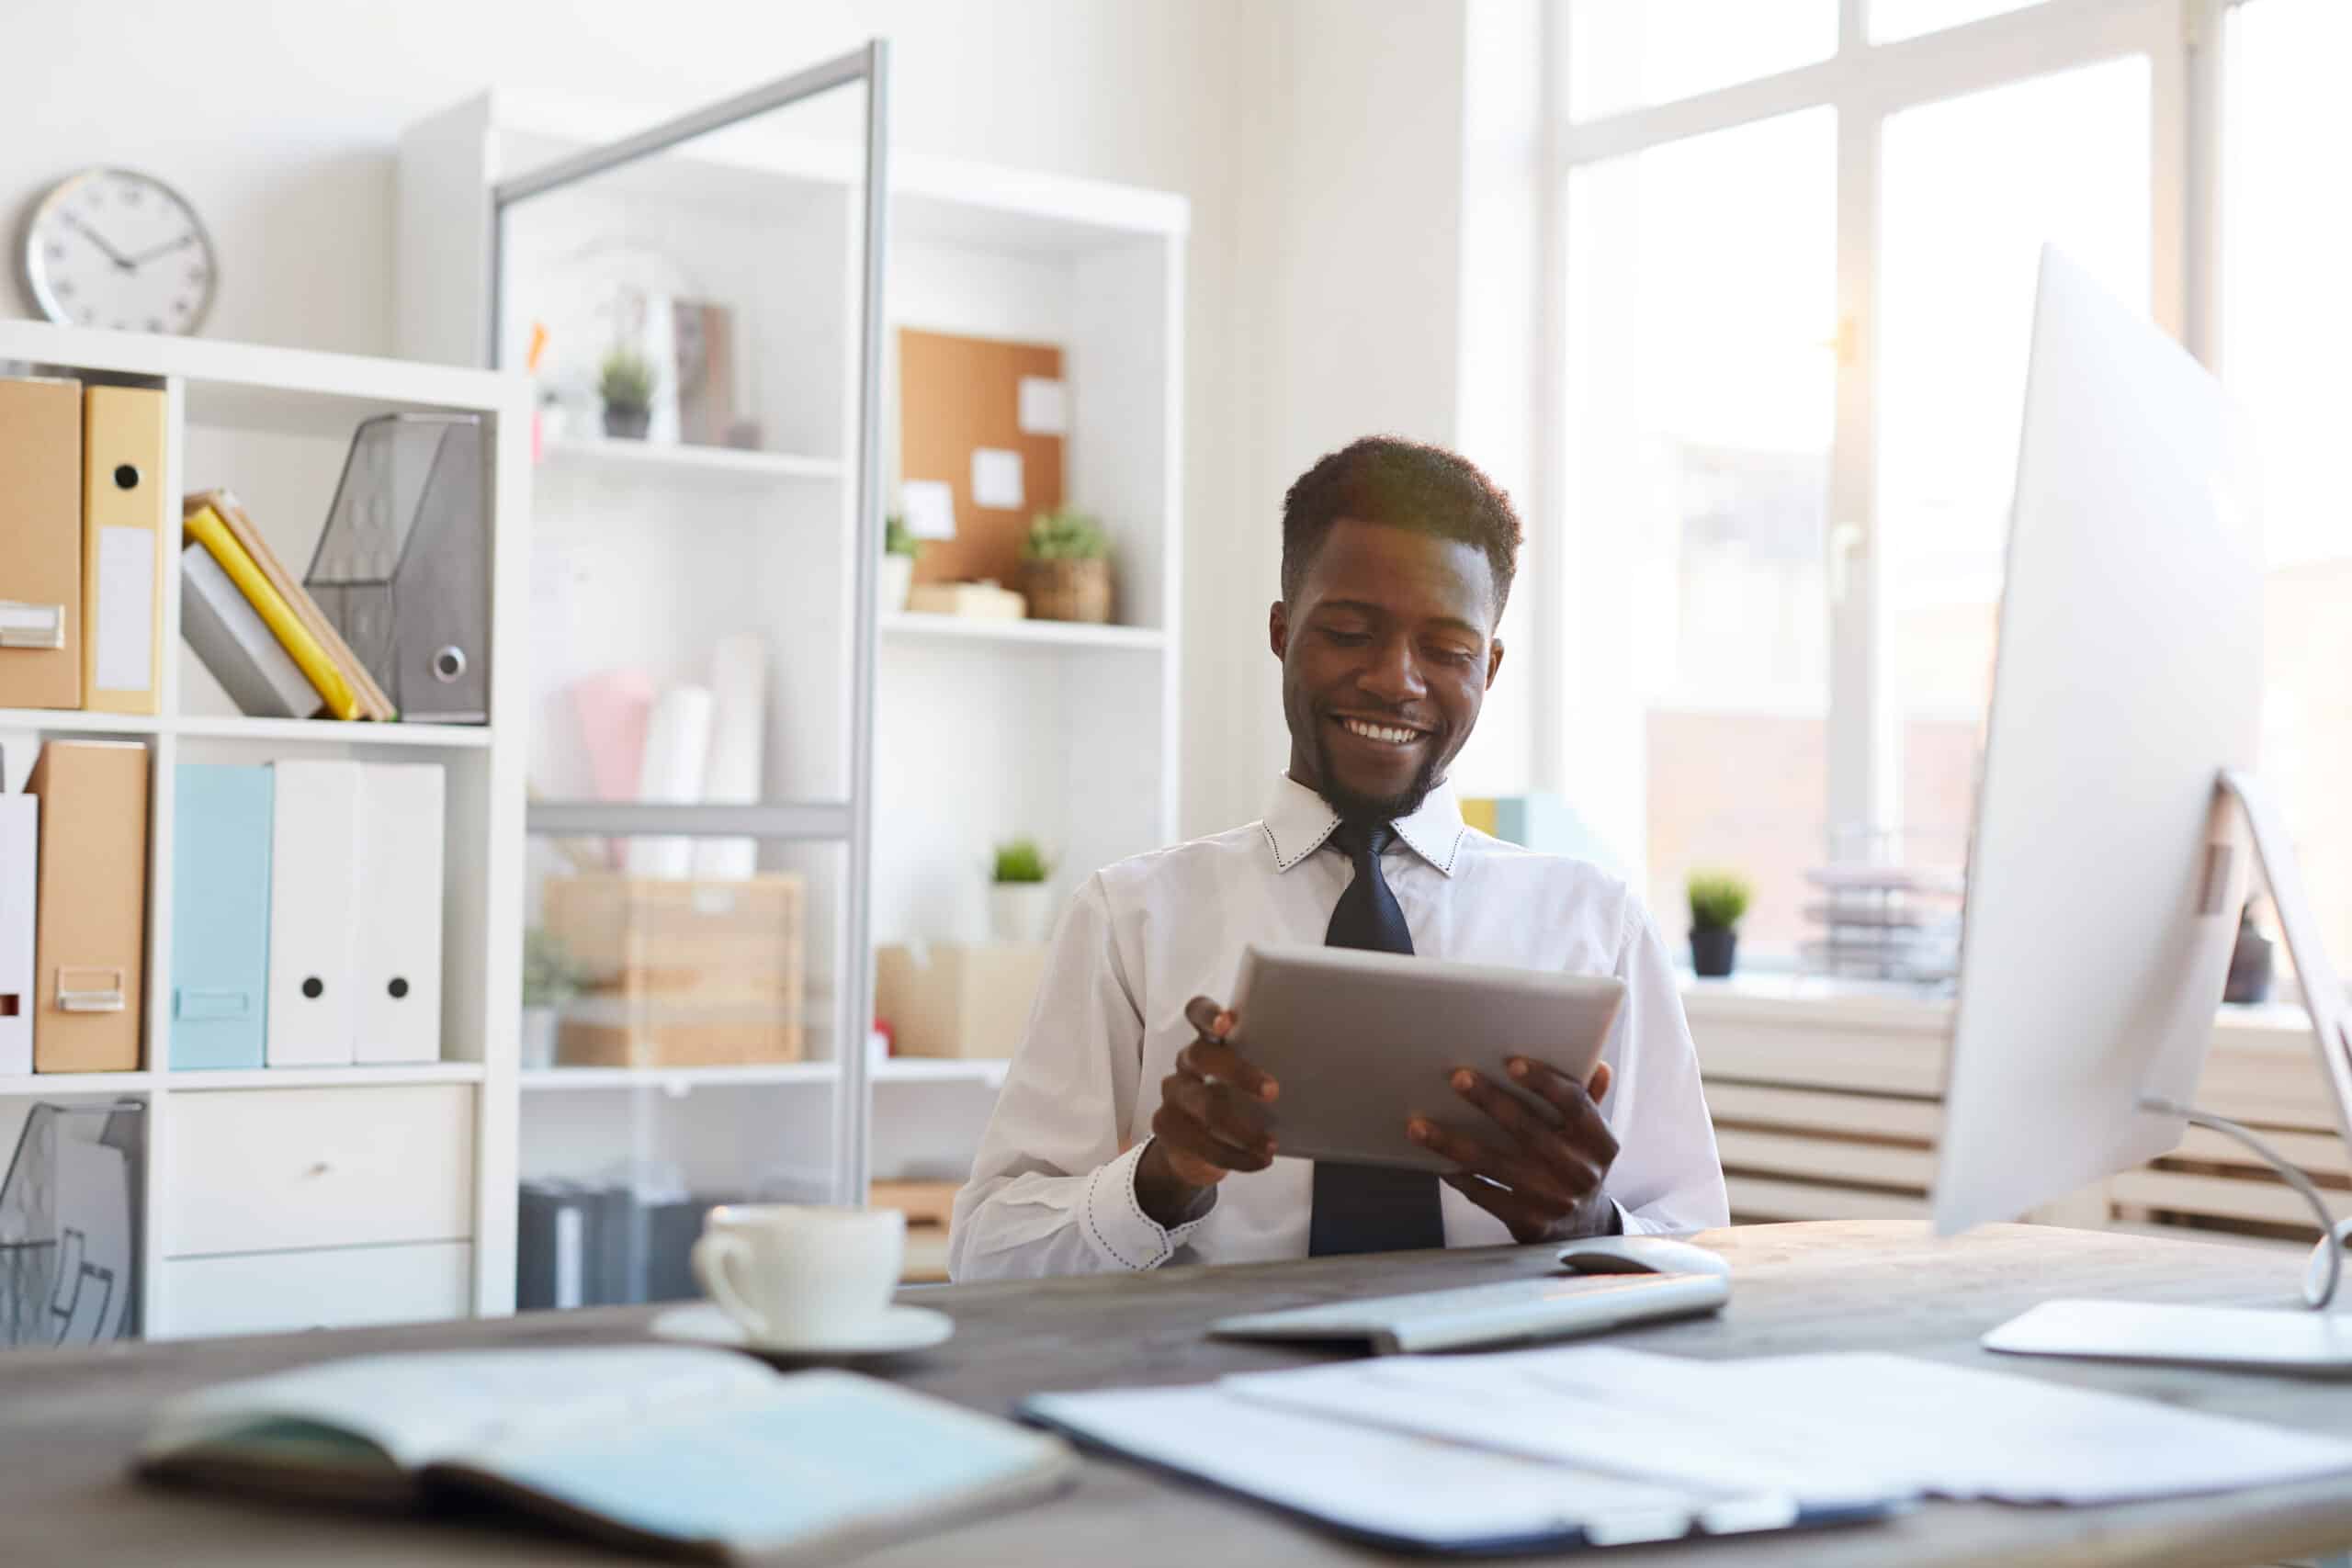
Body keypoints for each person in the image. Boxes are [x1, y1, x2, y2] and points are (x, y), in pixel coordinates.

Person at [948, 436, 1726, 1280]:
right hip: (1216, 1389)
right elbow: (988, 1256)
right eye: (1352, 632)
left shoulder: (1596, 923)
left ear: (1491, 667)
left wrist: (1586, 1220)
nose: (1396, 680)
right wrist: (1163, 1178)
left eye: (1448, 650)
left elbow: (1699, 1248)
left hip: (1498, 1388)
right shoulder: (1132, 918)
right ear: (1283, 632)